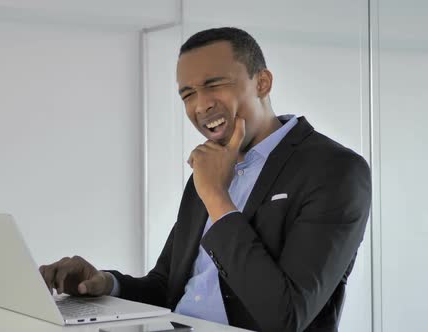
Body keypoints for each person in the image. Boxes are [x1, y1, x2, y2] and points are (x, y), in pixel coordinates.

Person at [39, 27, 371, 332]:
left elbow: (286, 317)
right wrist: (106, 284)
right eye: (188, 94)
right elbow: (168, 285)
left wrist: (216, 197)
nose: (201, 105)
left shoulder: (335, 170)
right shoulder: (207, 171)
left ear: (262, 83)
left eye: (214, 85)